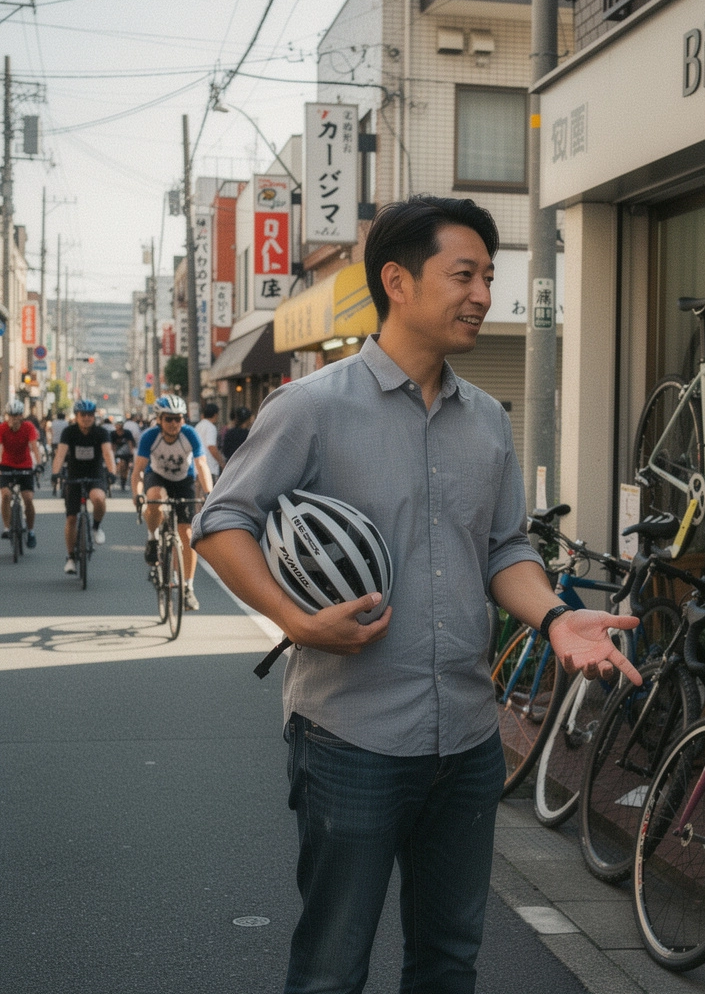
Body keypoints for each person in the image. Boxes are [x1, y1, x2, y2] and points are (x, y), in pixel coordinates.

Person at [192, 196, 642, 994]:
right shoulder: (312, 407)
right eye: (464, 275)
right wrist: (297, 620)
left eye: (489, 277)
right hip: (349, 736)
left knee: (448, 962)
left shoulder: (487, 422)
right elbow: (224, 521)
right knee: (333, 967)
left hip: (469, 740)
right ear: (397, 281)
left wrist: (559, 617)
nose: (482, 295)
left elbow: (505, 548)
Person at [131, 394, 212, 612]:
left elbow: (202, 465)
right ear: (159, 419)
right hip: (156, 476)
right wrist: (138, 494)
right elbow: (138, 470)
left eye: (178, 418)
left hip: (183, 479)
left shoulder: (190, 434)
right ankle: (152, 538)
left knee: (187, 534)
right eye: (169, 419)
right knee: (155, 495)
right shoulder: (150, 436)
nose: (174, 423)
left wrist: (209, 493)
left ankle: (187, 588)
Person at [50, 399, 117, 575]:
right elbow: (60, 454)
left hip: (95, 474)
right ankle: (71, 557)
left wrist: (112, 471)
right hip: (73, 476)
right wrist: (56, 473)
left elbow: (108, 453)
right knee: (71, 518)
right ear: (76, 416)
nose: (86, 418)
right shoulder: (69, 432)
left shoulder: (101, 432)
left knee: (98, 498)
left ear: (94, 416)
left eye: (90, 415)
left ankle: (96, 526)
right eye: (82, 415)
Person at [1, 398, 43, 548]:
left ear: (21, 415)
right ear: (7, 416)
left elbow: (34, 447)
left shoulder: (28, 427)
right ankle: (7, 528)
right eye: (11, 415)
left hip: (25, 466)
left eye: (17, 415)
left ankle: (30, 530)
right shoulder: (2, 428)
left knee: (28, 499)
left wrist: (39, 464)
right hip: (5, 465)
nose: (14, 418)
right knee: (6, 495)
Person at [194, 402, 226, 483]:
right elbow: (211, 447)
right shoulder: (211, 427)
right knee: (210, 494)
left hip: (198, 467)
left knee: (200, 494)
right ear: (215, 415)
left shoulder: (198, 425)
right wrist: (221, 462)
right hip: (210, 467)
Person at [110, 418, 137, 491]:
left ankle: (123, 482)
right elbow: (112, 445)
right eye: (117, 425)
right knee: (121, 465)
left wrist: (131, 454)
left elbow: (130, 444)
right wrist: (112, 454)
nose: (118, 426)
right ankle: (115, 477)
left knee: (125, 469)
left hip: (126, 452)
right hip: (117, 453)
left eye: (120, 425)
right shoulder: (113, 434)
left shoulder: (127, 433)